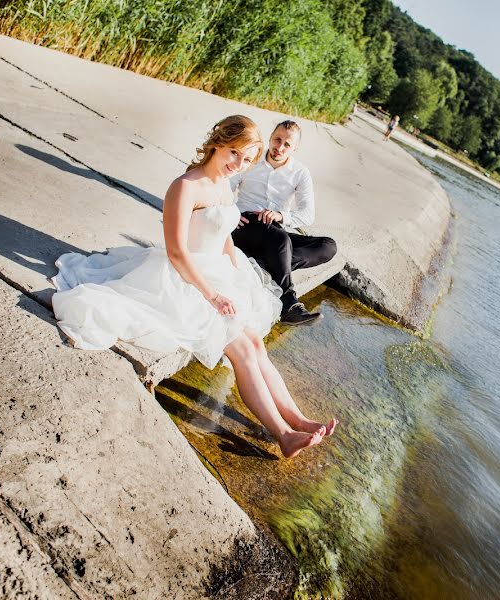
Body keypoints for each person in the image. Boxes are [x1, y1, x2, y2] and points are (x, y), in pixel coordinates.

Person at [52, 115, 336, 458]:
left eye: (247, 160)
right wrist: (212, 294)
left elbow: (225, 235)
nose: (238, 165)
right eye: (234, 153)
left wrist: (237, 273)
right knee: (242, 350)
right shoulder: (185, 186)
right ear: (218, 143)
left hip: (218, 274)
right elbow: (175, 252)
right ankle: (283, 435)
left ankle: (298, 419)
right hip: (183, 280)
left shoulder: (225, 186)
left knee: (256, 343)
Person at [230, 120, 337, 326]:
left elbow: (307, 214)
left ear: (295, 147)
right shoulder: (251, 158)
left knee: (327, 246)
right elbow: (225, 186)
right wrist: (232, 213)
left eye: (287, 144)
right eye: (277, 140)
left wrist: (281, 216)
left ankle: (263, 266)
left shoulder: (300, 173)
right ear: (270, 137)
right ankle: (289, 303)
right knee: (280, 239)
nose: (280, 147)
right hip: (244, 226)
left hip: (275, 233)